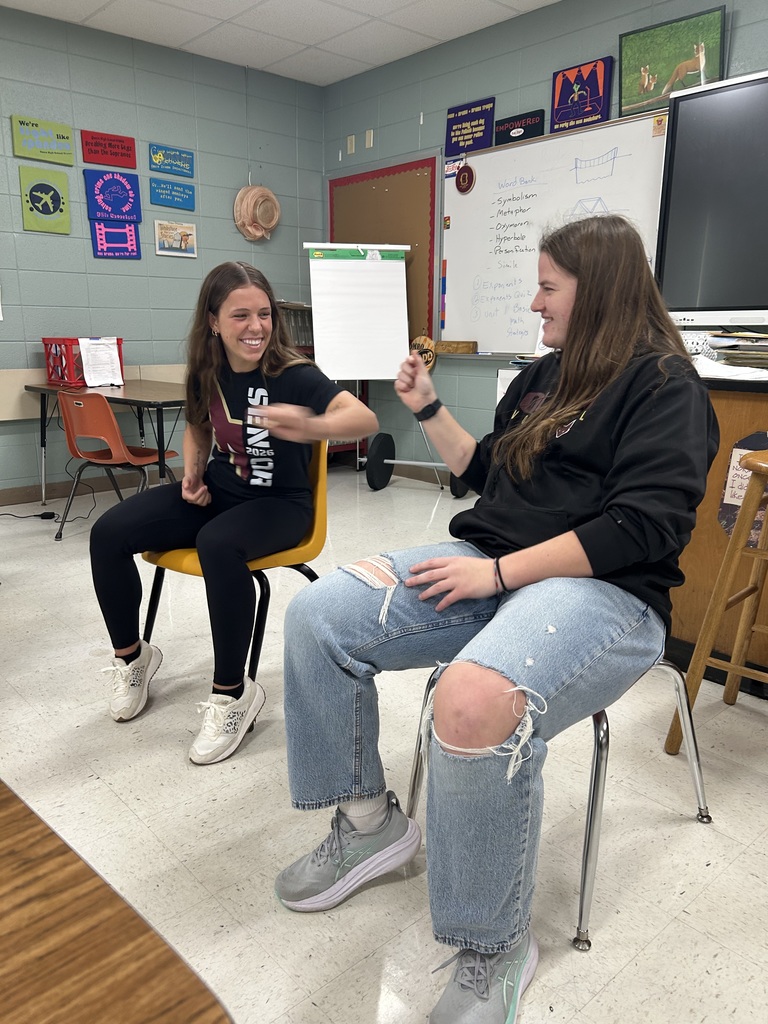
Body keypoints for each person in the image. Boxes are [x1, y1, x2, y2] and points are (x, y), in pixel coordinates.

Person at [273, 216, 719, 1023]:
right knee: (318, 616)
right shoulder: (545, 376)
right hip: (493, 568)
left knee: (473, 700)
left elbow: (639, 528)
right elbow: (488, 475)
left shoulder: (664, 386)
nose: (535, 300)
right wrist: (428, 405)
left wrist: (502, 572)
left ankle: (494, 944)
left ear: (602, 290)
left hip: (608, 592)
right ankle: (371, 823)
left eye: (549, 286)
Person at [89, 261, 378, 765]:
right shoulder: (208, 369)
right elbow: (199, 426)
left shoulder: (294, 374)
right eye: (241, 315)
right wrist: (192, 473)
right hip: (221, 493)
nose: (256, 327)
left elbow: (362, 418)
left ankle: (232, 693)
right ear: (213, 322)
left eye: (264, 314)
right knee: (108, 532)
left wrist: (308, 423)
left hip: (281, 505)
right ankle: (132, 658)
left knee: (217, 545)